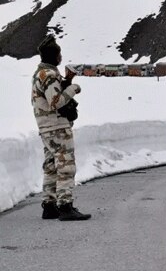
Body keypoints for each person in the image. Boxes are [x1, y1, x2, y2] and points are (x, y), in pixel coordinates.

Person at [31, 36, 91, 221]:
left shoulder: (41, 74)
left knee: (51, 166)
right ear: (54, 55)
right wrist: (73, 88)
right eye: (59, 54)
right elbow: (56, 102)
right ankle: (65, 205)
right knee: (66, 165)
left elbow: (51, 94)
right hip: (57, 127)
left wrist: (64, 82)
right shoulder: (48, 75)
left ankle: (49, 205)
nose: (61, 57)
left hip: (46, 127)